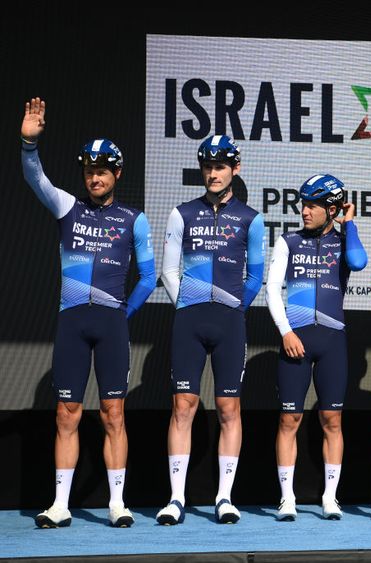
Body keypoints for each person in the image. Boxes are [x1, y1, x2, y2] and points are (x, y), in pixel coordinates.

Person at [21, 98, 156, 528]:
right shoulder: (67, 207)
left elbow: (150, 277)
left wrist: (122, 314)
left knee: (113, 413)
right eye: (88, 170)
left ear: (117, 173)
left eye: (102, 170)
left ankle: (118, 502)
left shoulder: (133, 218)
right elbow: (35, 178)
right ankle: (60, 505)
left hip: (111, 323)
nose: (93, 177)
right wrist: (28, 143)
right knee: (67, 414)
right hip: (73, 322)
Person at [157, 134, 265, 525]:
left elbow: (256, 276)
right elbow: (168, 271)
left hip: (229, 322)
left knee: (227, 408)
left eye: (220, 166)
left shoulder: (251, 218)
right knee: (182, 406)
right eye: (207, 166)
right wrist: (186, 304)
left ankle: (224, 497)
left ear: (235, 168)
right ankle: (176, 498)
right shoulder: (181, 213)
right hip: (189, 319)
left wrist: (235, 308)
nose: (213, 173)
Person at [265, 174, 367, 521]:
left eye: (312, 205)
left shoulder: (344, 242)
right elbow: (272, 289)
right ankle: (287, 499)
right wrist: (286, 332)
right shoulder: (288, 241)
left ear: (332, 209)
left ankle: (329, 497)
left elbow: (357, 262)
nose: (304, 211)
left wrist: (349, 223)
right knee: (289, 418)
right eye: (303, 204)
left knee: (332, 420)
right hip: (295, 339)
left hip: (332, 341)